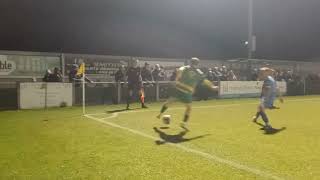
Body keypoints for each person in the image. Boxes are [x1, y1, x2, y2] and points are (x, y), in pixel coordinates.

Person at [157, 57, 218, 130]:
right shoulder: (198, 72)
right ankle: (183, 123)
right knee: (188, 108)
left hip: (178, 89)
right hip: (187, 92)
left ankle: (160, 114)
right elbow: (205, 80)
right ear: (197, 64)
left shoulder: (185, 68)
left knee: (169, 102)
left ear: (190, 62)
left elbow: (180, 70)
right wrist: (212, 86)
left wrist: (177, 77)